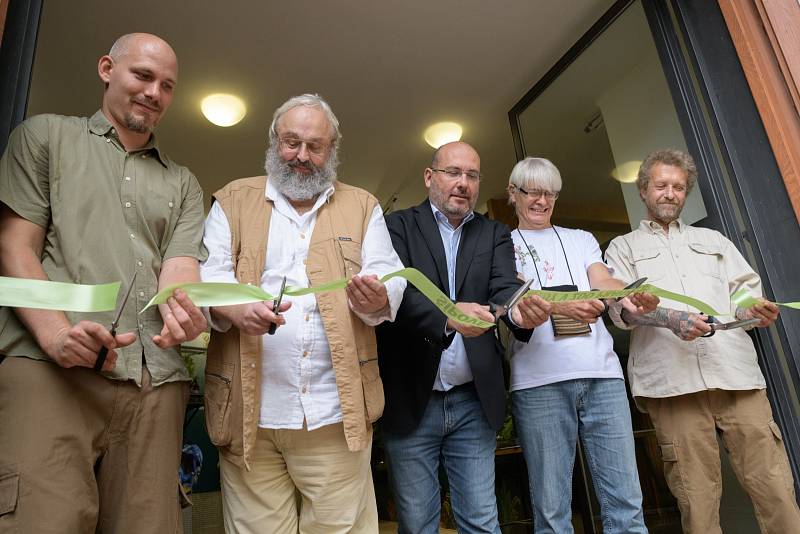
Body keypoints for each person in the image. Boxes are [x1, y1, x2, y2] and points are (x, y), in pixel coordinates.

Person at [0, 33, 207, 534]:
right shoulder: (44, 136)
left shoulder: (183, 182)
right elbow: (13, 246)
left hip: (155, 384)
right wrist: (54, 335)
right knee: (40, 522)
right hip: (48, 372)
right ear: (107, 68)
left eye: (167, 85)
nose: (154, 92)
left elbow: (179, 271)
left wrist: (185, 316)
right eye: (142, 76)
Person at [200, 93, 406, 533]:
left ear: (332, 151)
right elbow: (207, 276)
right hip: (248, 416)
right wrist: (238, 310)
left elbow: (389, 275)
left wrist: (378, 299)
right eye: (291, 142)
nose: (302, 156)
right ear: (274, 142)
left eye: (315, 146)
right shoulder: (233, 199)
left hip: (335, 414)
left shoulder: (363, 205)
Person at [604, 148, 800, 534]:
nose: (670, 193)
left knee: (774, 486)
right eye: (661, 185)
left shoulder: (715, 241)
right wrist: (669, 319)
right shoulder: (622, 248)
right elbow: (621, 310)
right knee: (698, 500)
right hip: (672, 386)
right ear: (644, 190)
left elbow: (743, 294)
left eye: (678, 187)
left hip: (736, 377)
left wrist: (750, 311)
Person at [377, 141, 552, 533]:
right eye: (453, 173)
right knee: (418, 522)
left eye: (472, 175)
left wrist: (522, 314)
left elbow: (505, 289)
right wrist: (450, 318)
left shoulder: (494, 234)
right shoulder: (396, 227)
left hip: (474, 400)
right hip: (411, 400)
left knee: (481, 521)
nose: (463, 183)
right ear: (429, 177)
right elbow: (396, 297)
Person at [505, 157, 655, 533]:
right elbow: (513, 298)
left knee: (625, 499)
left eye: (551, 194)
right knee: (552, 507)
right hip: (538, 382)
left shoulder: (580, 238)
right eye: (534, 192)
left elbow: (602, 278)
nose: (542, 201)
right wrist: (564, 303)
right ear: (513, 193)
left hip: (602, 375)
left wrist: (630, 294)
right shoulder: (500, 245)